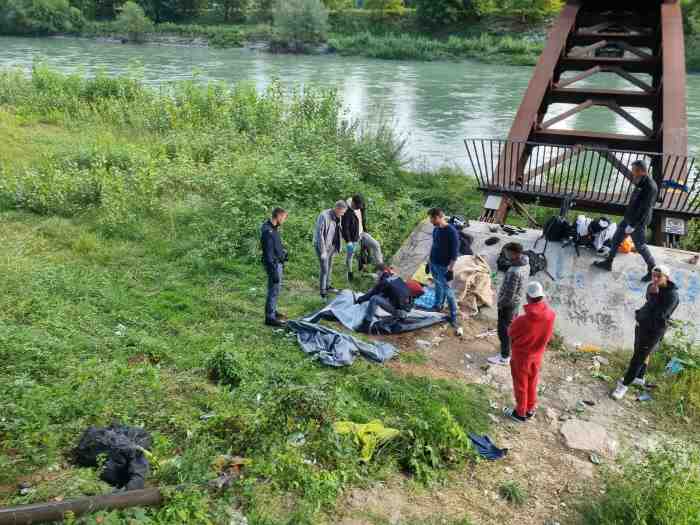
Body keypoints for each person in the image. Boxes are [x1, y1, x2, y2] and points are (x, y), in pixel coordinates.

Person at [611, 264, 680, 400]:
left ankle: (624, 386)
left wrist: (654, 296)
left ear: (667, 278)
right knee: (640, 351)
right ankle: (638, 377)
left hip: (654, 330)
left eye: (658, 277)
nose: (655, 279)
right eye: (653, 275)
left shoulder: (672, 295)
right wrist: (640, 315)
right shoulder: (651, 286)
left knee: (638, 357)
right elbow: (648, 302)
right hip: (642, 325)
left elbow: (660, 315)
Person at [593, 160, 658, 281]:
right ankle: (608, 262)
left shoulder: (650, 187)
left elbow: (645, 209)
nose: (632, 173)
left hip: (637, 223)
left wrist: (633, 225)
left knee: (640, 246)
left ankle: (652, 270)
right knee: (616, 238)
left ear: (640, 171)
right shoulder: (640, 181)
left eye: (634, 170)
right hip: (629, 218)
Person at [502, 282, 556, 422]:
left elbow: (510, 333)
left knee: (520, 384)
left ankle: (520, 413)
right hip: (537, 355)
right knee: (532, 382)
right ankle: (530, 409)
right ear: (541, 296)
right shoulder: (550, 315)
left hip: (522, 356)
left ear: (528, 297)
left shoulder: (523, 320)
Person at [488, 242, 530, 366]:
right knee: (512, 328)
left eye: (507, 252)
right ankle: (508, 351)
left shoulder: (514, 271)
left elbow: (509, 294)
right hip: (517, 302)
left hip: (508, 305)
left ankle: (504, 356)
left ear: (514, 253)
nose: (505, 254)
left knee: (503, 330)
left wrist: (500, 304)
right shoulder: (526, 264)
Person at [427, 208, 462, 335]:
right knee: (437, 286)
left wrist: (451, 269)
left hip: (444, 266)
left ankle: (454, 317)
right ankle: (437, 306)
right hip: (434, 262)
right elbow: (434, 245)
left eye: (431, 218)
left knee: (448, 290)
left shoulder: (451, 231)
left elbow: (454, 253)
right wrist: (428, 261)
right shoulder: (436, 229)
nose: (430, 221)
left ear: (438, 217)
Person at [356, 265, 416, 332]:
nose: (377, 275)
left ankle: (365, 325)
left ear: (380, 272)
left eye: (377, 273)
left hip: (400, 312)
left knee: (374, 298)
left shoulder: (385, 281)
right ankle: (399, 316)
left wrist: (359, 299)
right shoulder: (396, 277)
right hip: (407, 309)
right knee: (379, 296)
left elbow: (371, 294)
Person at [341, 194, 384, 282]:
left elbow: (362, 219)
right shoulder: (346, 211)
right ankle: (349, 272)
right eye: (357, 207)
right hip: (353, 237)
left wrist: (365, 230)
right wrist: (348, 241)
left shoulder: (360, 206)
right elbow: (345, 228)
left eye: (359, 207)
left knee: (376, 245)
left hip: (362, 233)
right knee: (350, 256)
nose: (358, 208)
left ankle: (381, 268)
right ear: (352, 202)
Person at [260, 207, 289, 327]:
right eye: (283, 217)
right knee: (273, 290)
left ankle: (273, 310)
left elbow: (275, 247)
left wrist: (283, 254)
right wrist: (274, 272)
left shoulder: (273, 228)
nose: (284, 220)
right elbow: (268, 254)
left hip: (278, 263)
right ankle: (270, 318)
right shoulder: (268, 231)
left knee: (276, 290)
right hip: (273, 265)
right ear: (278, 216)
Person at [314, 201, 348, 299]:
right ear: (337, 209)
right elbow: (319, 234)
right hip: (322, 245)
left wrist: (338, 245)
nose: (343, 214)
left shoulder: (338, 216)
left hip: (331, 246)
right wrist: (323, 251)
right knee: (324, 269)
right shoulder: (324, 216)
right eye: (342, 212)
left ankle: (328, 286)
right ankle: (322, 292)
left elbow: (338, 230)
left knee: (330, 266)